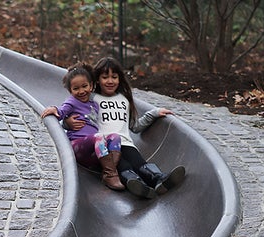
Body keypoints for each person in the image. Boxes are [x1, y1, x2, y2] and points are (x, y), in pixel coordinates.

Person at [66, 57, 185, 199]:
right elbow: (75, 114)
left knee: (140, 164)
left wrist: (154, 113)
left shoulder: (124, 100)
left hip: (126, 143)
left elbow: (135, 126)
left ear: (119, 79)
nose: (110, 81)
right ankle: (137, 185)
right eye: (105, 77)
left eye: (114, 77)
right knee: (124, 167)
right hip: (106, 147)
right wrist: (67, 122)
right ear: (96, 81)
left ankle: (160, 179)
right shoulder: (91, 98)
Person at [41, 62, 124, 191]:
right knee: (98, 137)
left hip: (94, 151)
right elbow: (61, 112)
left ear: (91, 86)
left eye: (84, 86)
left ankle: (108, 170)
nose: (81, 91)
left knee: (115, 137)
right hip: (77, 147)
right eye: (76, 88)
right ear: (70, 91)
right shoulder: (72, 102)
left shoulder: (95, 105)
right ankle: (111, 175)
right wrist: (54, 109)